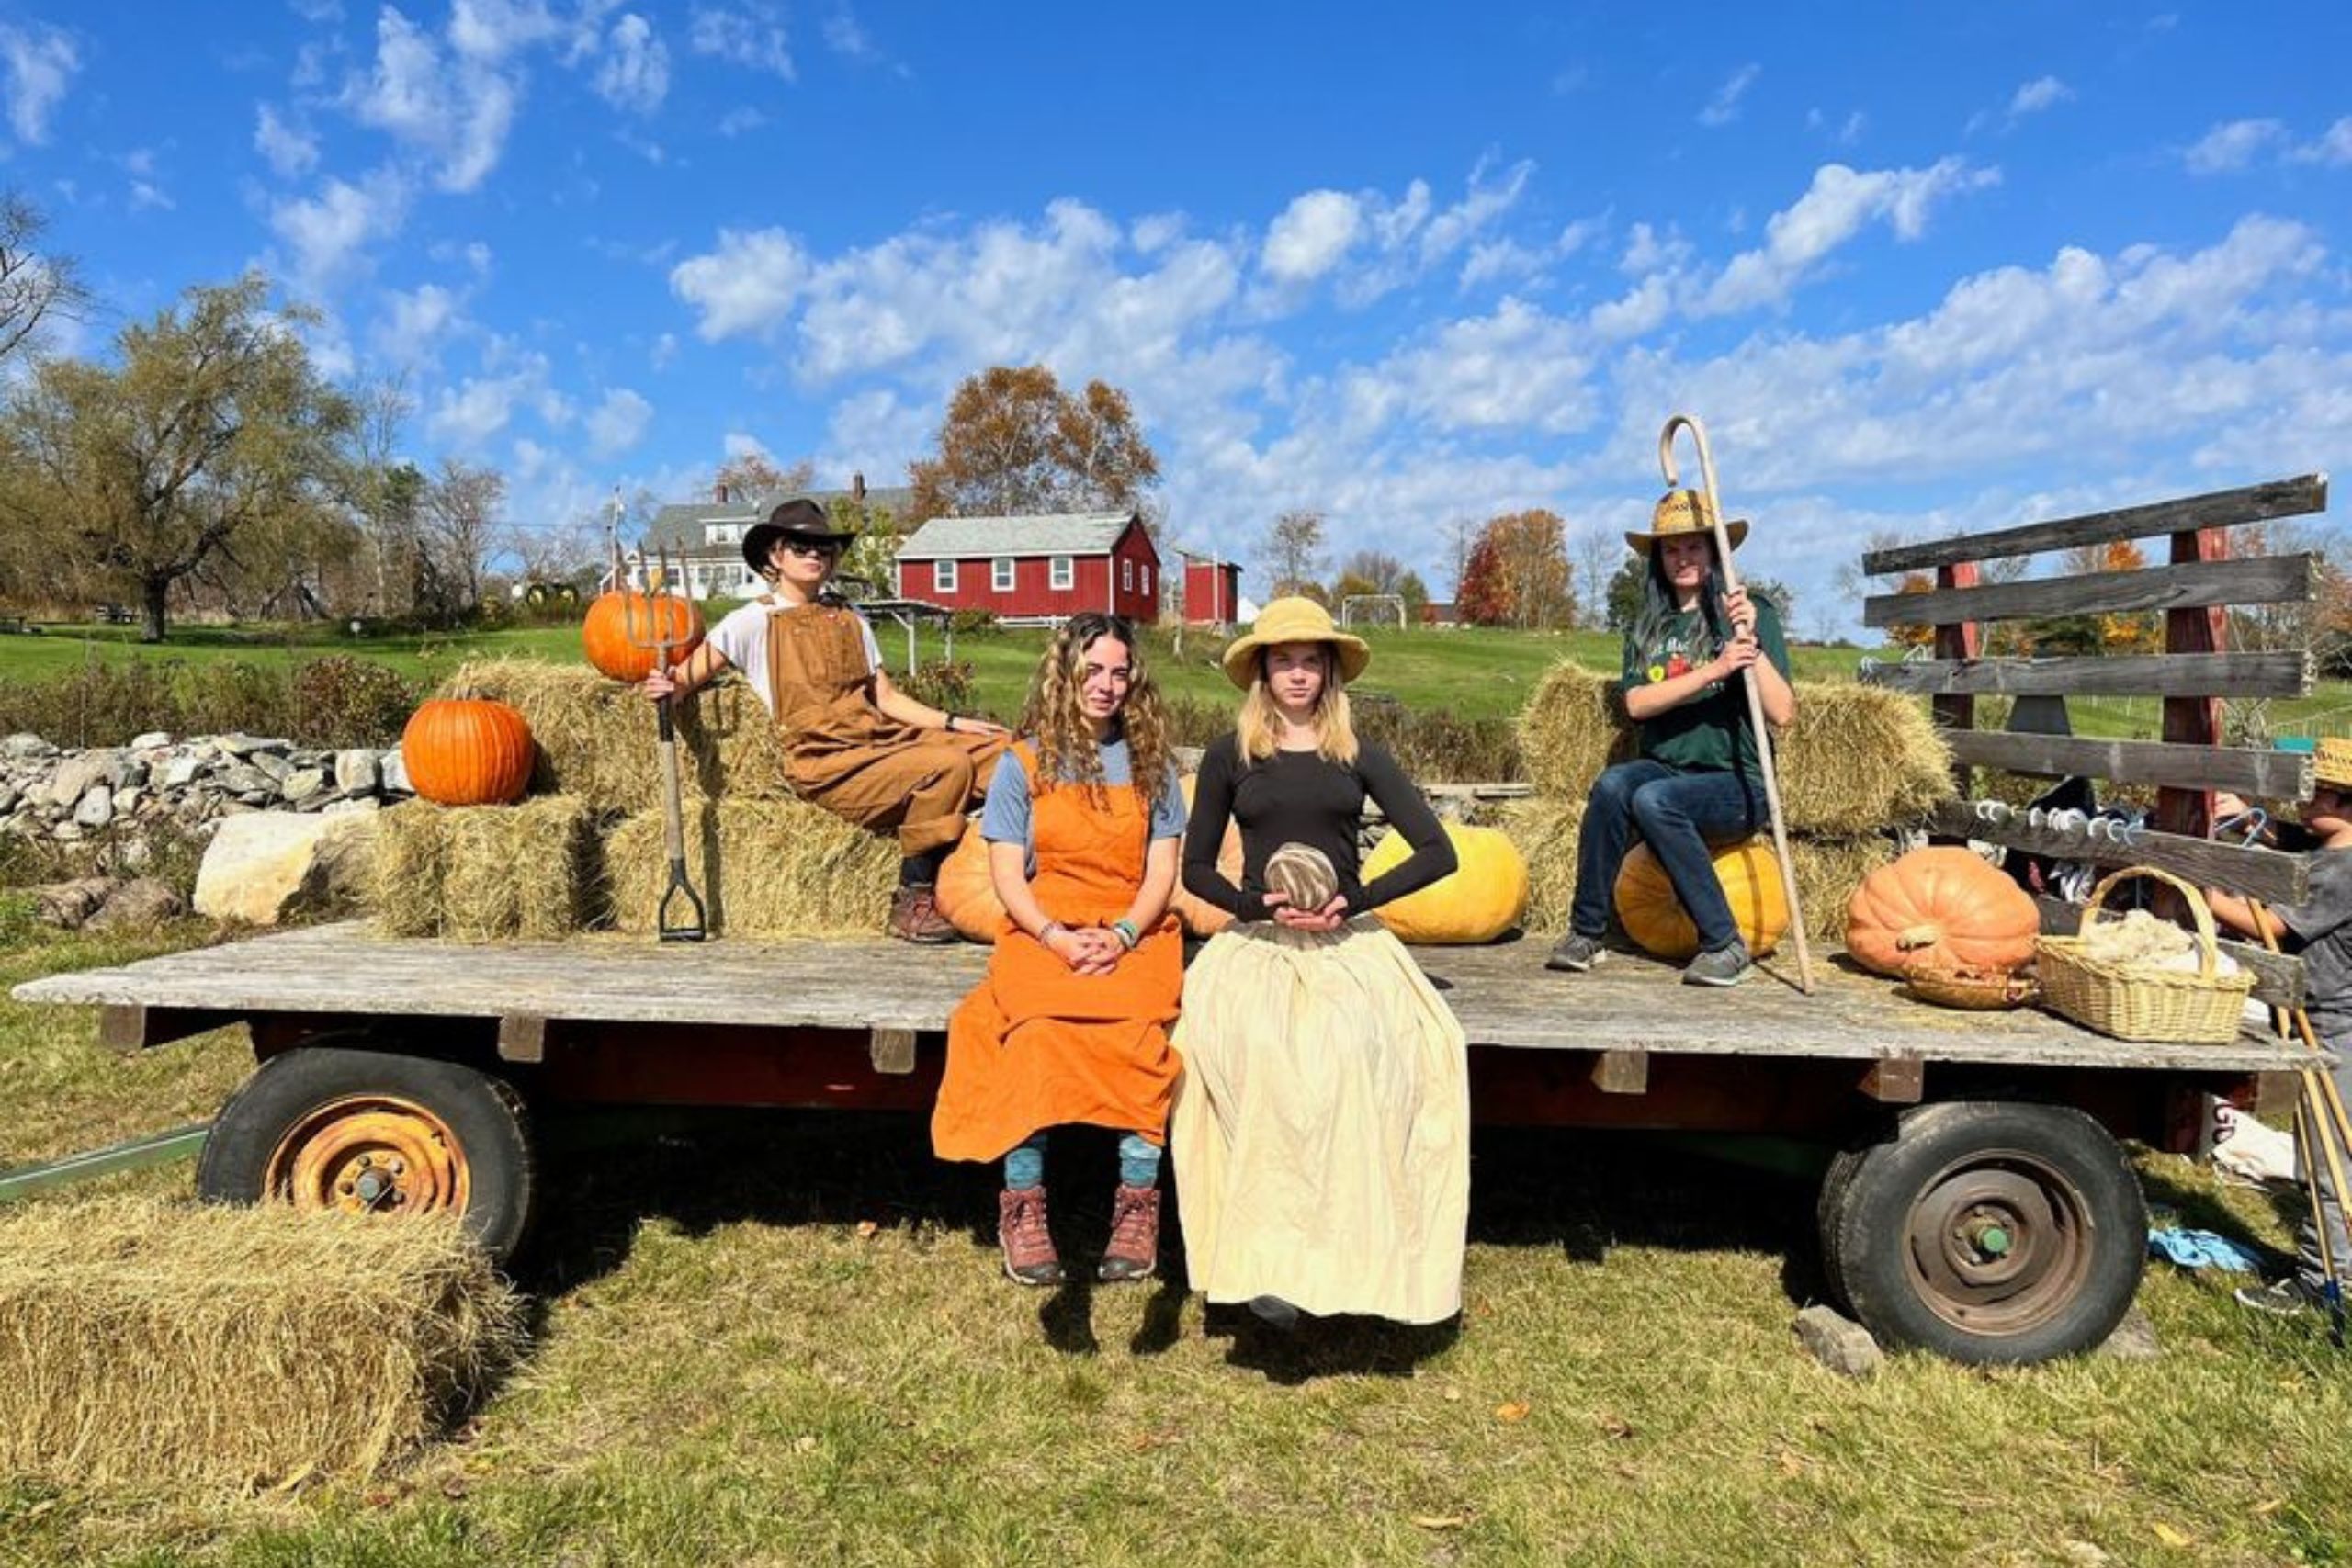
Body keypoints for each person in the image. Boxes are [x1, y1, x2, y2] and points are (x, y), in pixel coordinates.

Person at [1169, 596, 1468, 1327]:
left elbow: (1439, 850)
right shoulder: (1228, 754)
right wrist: (1254, 905)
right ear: (1261, 673)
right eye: (1283, 660)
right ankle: (1266, 1265)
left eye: (1310, 661)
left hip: (1343, 942)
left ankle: (1352, 1260)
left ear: (1328, 671)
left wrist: (1352, 898)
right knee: (1258, 1061)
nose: (1297, 675)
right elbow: (1196, 868)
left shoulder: (1357, 755)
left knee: (1370, 1062)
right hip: (1260, 946)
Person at [930, 613, 1187, 1286]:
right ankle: (1023, 1206)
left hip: (1135, 926)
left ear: (1135, 681)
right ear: (1064, 673)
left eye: (1120, 671)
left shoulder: (1153, 762)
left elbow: (1162, 870)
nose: (1106, 685)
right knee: (1032, 1032)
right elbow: (1007, 876)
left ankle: (1137, 1205)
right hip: (1047, 926)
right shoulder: (1024, 763)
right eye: (1092, 670)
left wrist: (1125, 933)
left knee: (1139, 1034)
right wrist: (1055, 935)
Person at [644, 498, 1008, 942]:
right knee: (946, 768)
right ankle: (912, 896)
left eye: (823, 547)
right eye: (801, 546)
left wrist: (952, 722)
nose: (815, 554)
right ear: (775, 557)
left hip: (883, 741)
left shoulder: (850, 616)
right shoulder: (752, 621)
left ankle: (1023, 870)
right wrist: (668, 686)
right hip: (827, 762)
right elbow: (685, 679)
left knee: (1006, 754)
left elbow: (886, 698)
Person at [1545, 489, 1795, 987]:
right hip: (1666, 768)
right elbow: (1637, 704)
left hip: (1736, 784)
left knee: (1657, 800)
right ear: (1658, 559)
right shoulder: (1645, 625)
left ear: (1713, 552)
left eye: (1694, 548)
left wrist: (1749, 643)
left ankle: (1725, 945)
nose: (1682, 559)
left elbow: (1783, 712)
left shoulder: (1750, 611)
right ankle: (1586, 933)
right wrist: (1715, 669)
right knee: (1615, 785)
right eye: (1671, 549)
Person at [2205, 745, 2352, 1314]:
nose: (2303, 800)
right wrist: (2245, 812)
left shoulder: (2342, 868)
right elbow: (2290, 843)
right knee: (2324, 1148)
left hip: (2337, 1027)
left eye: (2316, 793)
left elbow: (2271, 925)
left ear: (2344, 803)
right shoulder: (2329, 852)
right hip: (2327, 1019)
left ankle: (2325, 1284)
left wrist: (2204, 894)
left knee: (2328, 1158)